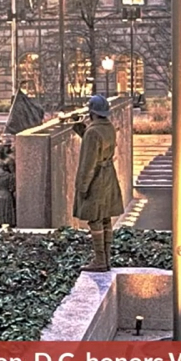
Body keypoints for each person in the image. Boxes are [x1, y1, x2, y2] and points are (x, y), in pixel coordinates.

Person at [73, 94, 122, 272]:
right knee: (105, 217)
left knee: (95, 219)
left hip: (96, 179)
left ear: (91, 112)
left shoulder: (93, 132)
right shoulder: (108, 127)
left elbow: (88, 162)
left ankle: (100, 260)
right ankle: (106, 258)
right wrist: (80, 129)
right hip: (108, 175)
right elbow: (97, 141)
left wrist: (82, 187)